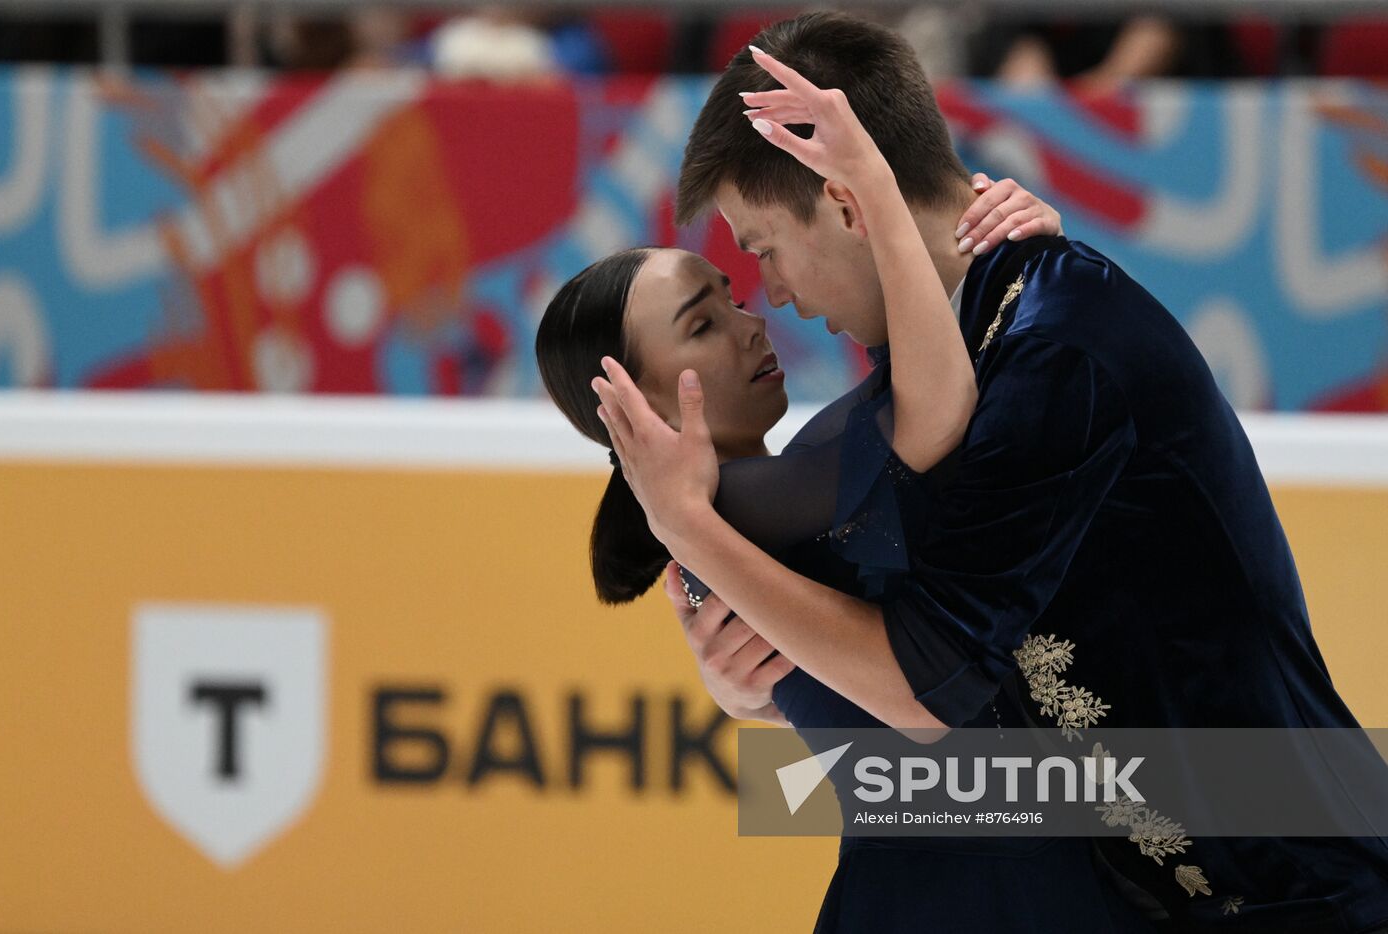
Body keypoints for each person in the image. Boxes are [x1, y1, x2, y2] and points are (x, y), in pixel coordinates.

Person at [595, 12, 1388, 933]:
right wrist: (758, 682)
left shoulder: (1058, 347)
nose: (772, 293)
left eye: (763, 247)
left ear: (849, 205)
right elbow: (900, 634)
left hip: (1300, 888)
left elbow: (928, 680)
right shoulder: (946, 350)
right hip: (1159, 892)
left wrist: (688, 529)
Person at [536, 193, 1162, 929]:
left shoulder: (744, 511)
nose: (749, 324)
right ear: (633, 408)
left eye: (731, 297)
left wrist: (1024, 268)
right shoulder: (746, 508)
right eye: (703, 325)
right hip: (964, 893)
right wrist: (1015, 265)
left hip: (978, 875)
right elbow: (938, 394)